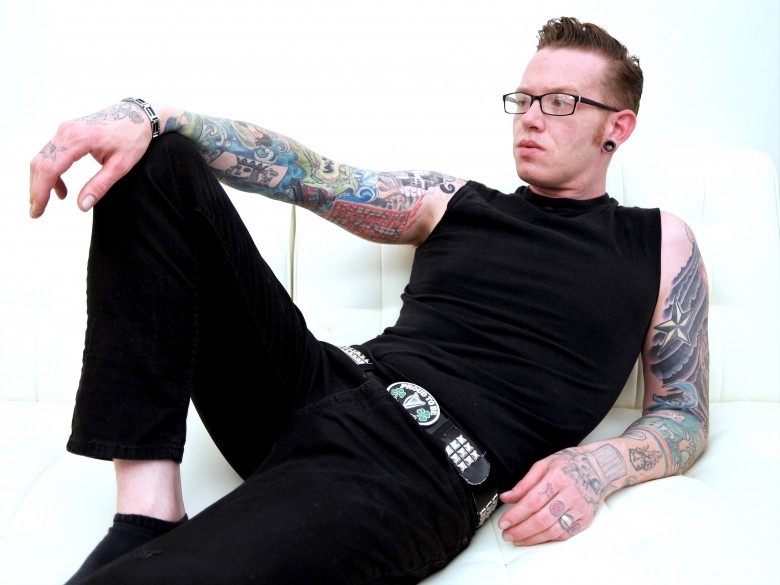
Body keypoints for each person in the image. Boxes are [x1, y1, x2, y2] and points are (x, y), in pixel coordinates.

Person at [28, 16, 709, 585]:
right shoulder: (453, 201)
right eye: (523, 99)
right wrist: (152, 114)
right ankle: (146, 511)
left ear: (617, 127)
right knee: (158, 158)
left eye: (559, 102)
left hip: (415, 467)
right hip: (316, 380)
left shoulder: (659, 244)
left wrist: (601, 465)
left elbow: (683, 413)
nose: (530, 118)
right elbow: (307, 176)